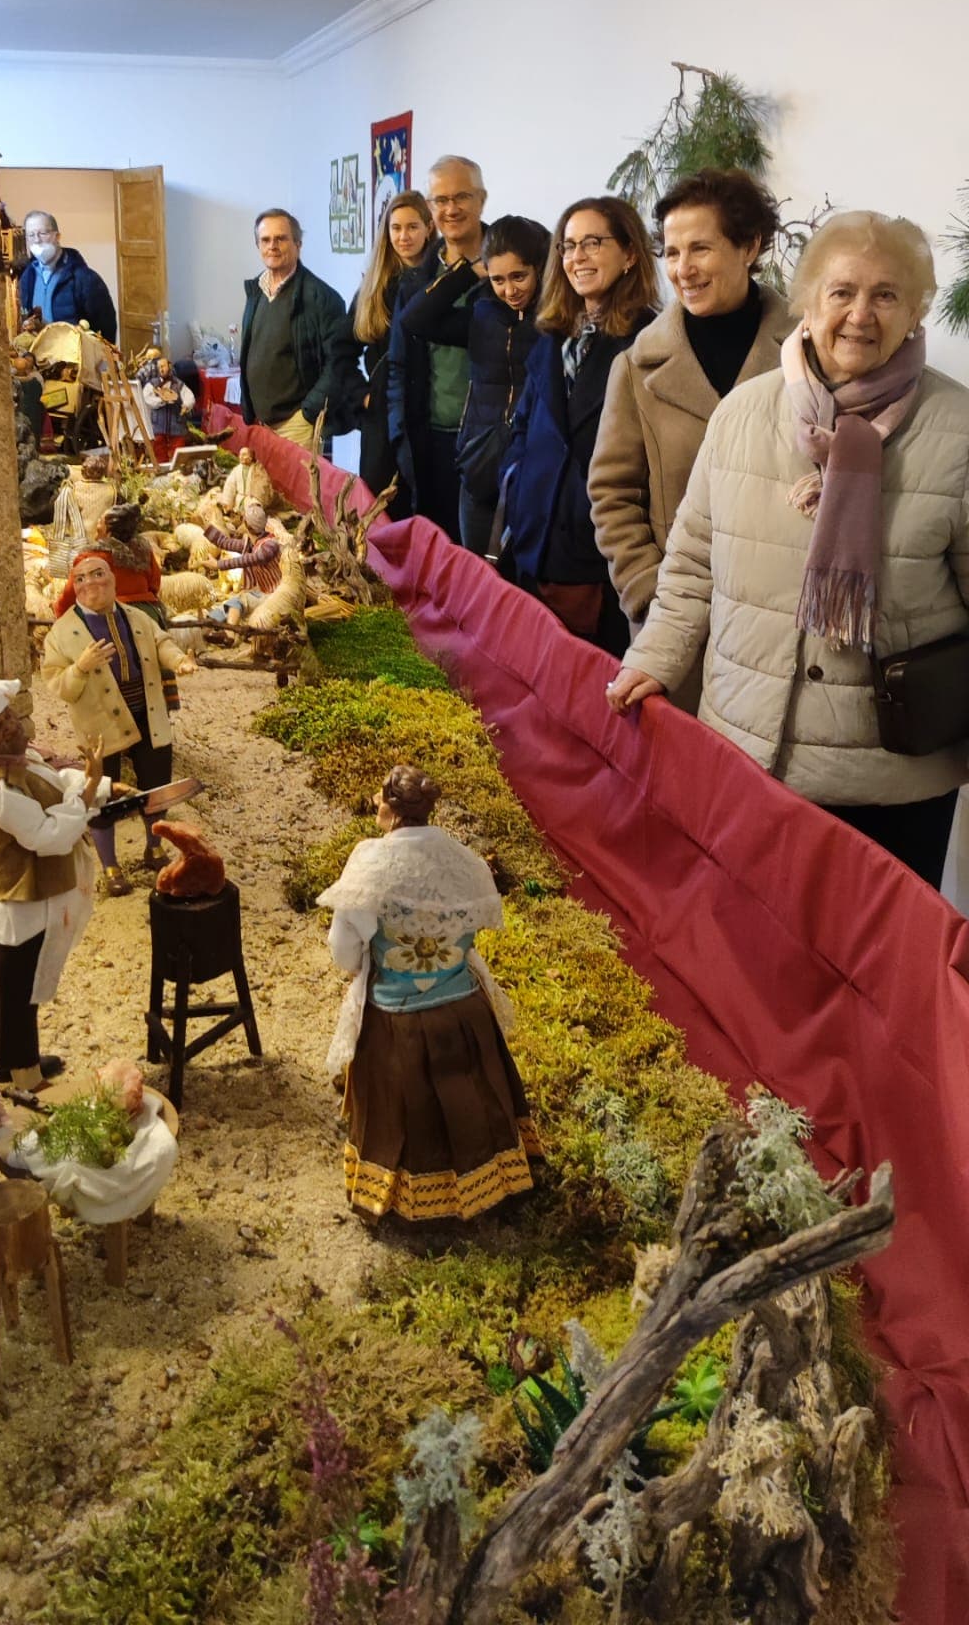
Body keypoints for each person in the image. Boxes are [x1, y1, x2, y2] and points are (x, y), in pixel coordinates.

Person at [605, 211, 969, 890]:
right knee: (752, 957)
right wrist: (653, 659)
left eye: (886, 295)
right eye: (842, 292)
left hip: (896, 779)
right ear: (808, 298)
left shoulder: (958, 431)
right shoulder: (743, 413)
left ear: (916, 310)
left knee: (882, 975)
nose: (861, 314)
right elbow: (689, 567)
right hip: (748, 752)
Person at [589, 168, 791, 691]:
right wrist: (649, 594)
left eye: (700, 248)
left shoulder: (806, 355)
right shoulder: (639, 367)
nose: (683, 269)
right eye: (672, 253)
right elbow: (612, 494)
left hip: (783, 629)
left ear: (749, 245)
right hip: (681, 632)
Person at [317, 764, 541, 1223]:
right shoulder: (466, 861)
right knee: (470, 1101)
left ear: (392, 810)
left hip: (396, 1022)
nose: (375, 802)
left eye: (380, 796)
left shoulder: (369, 862)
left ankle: (404, 1194)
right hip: (465, 1013)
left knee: (404, 1118)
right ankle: (488, 1178)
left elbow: (344, 952)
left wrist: (370, 957)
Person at [503, 198, 660, 647]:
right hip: (535, 540)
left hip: (594, 551)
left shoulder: (649, 342)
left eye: (593, 243)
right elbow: (525, 427)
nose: (578, 257)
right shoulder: (554, 334)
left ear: (630, 254)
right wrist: (515, 484)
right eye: (569, 245)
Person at [0, 676, 108, 1090]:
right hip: (21, 901)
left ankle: (4, 1061)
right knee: (19, 992)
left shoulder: (20, 759)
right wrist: (86, 796)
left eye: (8, 716)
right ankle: (23, 1076)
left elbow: (56, 781)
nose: (11, 727)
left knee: (2, 984)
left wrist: (93, 787)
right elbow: (48, 837)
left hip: (16, 897)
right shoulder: (1, 789)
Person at [41, 554, 196, 897]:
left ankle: (154, 847)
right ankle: (110, 865)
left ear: (112, 580)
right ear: (74, 587)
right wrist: (79, 668)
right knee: (101, 793)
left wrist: (179, 661)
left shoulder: (135, 616)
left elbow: (160, 643)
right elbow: (56, 684)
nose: (91, 582)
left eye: (99, 574)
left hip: (146, 712)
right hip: (99, 723)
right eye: (82, 578)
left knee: (156, 785)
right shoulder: (62, 633)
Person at [399, 214, 547, 555]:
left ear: (538, 268)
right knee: (478, 576)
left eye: (518, 276)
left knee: (520, 586)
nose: (509, 290)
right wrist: (468, 272)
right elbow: (414, 318)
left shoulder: (555, 319)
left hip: (532, 468)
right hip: (479, 466)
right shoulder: (482, 314)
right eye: (498, 279)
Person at [386, 156, 490, 541]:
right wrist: (401, 437)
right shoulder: (415, 281)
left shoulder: (511, 265)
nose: (451, 208)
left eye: (461, 196)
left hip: (489, 442)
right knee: (437, 559)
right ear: (430, 209)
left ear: (482, 199)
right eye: (440, 200)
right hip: (429, 442)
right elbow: (398, 364)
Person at [347, 191, 436, 510]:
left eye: (412, 227)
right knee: (380, 511)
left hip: (429, 415)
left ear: (429, 228)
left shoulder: (441, 282)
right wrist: (362, 395)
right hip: (381, 418)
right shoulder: (373, 288)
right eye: (395, 228)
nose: (403, 236)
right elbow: (340, 352)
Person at [238, 208, 353, 451]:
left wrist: (308, 413)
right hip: (260, 423)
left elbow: (340, 364)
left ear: (298, 244)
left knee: (297, 491)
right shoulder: (256, 291)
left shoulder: (322, 298)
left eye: (281, 238)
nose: (273, 246)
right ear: (258, 245)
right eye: (266, 240)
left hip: (297, 426)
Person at [52, 501, 165, 623]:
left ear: (109, 532)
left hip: (111, 617)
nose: (97, 528)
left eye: (100, 523)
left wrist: (58, 612)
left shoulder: (90, 557)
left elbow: (71, 595)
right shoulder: (144, 551)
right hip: (148, 615)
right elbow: (154, 585)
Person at [17, 211, 118, 343]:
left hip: (76, 358)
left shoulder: (84, 278)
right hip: (40, 356)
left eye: (43, 233)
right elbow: (27, 315)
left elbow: (106, 327)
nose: (36, 240)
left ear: (57, 236)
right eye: (31, 235)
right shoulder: (27, 277)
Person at [203, 500, 283, 624]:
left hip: (275, 596)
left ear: (246, 524)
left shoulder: (270, 545)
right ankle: (207, 623)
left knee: (238, 601)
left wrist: (218, 565)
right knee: (225, 606)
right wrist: (205, 526)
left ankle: (231, 632)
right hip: (262, 593)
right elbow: (225, 542)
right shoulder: (251, 543)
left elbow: (248, 560)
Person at [139, 355, 195, 463]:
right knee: (159, 448)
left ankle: (176, 469)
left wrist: (186, 405)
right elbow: (146, 397)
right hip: (159, 424)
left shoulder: (179, 385)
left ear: (169, 366)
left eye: (163, 366)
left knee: (177, 449)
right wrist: (161, 401)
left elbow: (189, 397)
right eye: (159, 367)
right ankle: (161, 468)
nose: (161, 369)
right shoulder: (153, 384)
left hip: (176, 424)